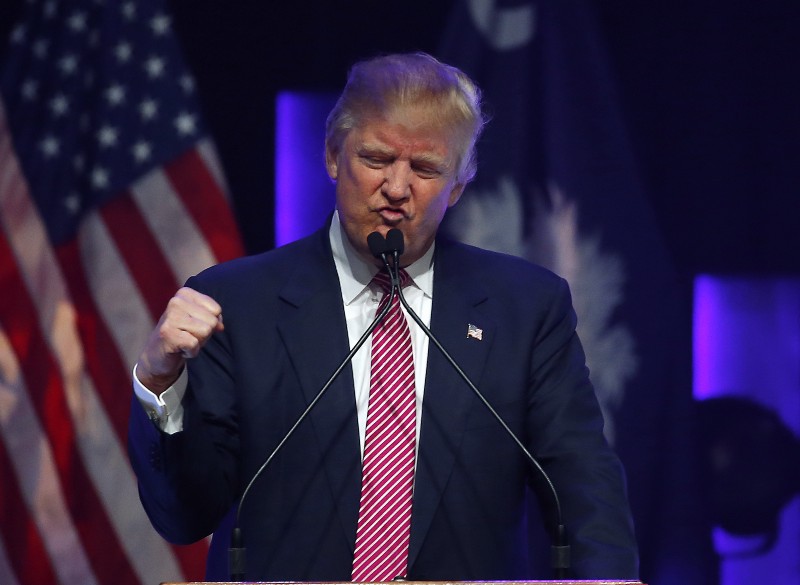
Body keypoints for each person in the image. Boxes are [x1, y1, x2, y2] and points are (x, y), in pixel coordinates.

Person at [128, 52, 639, 581]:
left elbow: (582, 483)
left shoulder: (526, 309)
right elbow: (184, 516)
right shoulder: (235, 303)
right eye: (376, 159)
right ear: (332, 156)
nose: (397, 189)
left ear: (458, 186)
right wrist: (160, 383)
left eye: (425, 169)